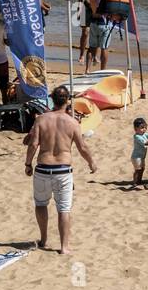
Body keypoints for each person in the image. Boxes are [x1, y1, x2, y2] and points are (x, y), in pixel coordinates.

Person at [24, 85, 97, 255]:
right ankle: (64, 247)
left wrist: (28, 164)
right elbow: (82, 147)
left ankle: (43, 239)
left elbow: (33, 143)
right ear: (68, 101)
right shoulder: (72, 122)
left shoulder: (41, 119)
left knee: (41, 204)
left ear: (52, 99)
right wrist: (91, 163)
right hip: (63, 171)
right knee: (64, 209)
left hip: (43, 168)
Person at [130, 117, 148, 186]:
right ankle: (135, 182)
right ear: (135, 129)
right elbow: (146, 143)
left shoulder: (143, 134)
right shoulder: (137, 136)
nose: (144, 129)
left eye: (145, 127)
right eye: (142, 127)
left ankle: (139, 181)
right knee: (138, 170)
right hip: (136, 157)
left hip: (141, 157)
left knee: (142, 169)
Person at [70, 0, 90, 66]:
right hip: (86, 7)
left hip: (97, 7)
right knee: (85, 32)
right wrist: (78, 10)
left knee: (96, 32)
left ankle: (94, 55)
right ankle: (82, 55)